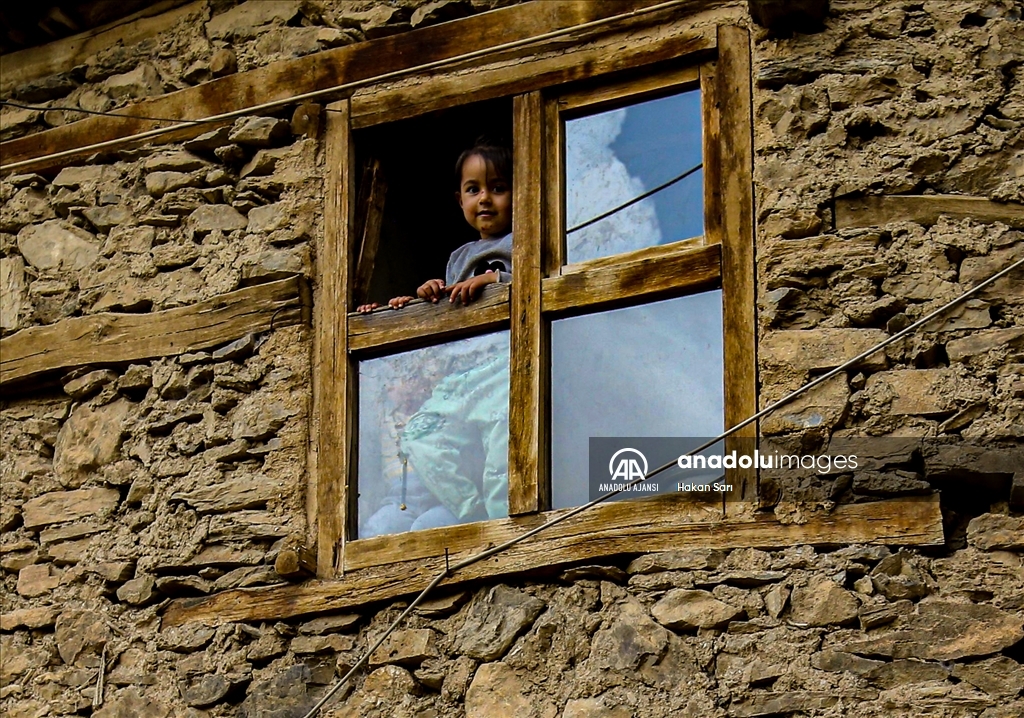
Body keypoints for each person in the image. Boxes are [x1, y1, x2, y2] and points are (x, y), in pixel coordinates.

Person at [358, 139, 512, 529]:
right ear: (459, 199)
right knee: (422, 438)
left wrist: (494, 279)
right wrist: (431, 295)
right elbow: (453, 305)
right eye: (473, 189)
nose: (485, 200)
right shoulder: (459, 257)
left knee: (502, 444)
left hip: (503, 366)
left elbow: (537, 279)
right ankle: (469, 509)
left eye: (498, 187)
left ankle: (503, 518)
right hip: (461, 377)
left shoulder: (525, 242)